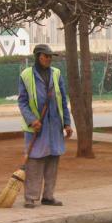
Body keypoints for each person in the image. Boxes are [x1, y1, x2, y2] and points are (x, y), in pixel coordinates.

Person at [18, 44, 73, 209]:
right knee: (34, 162)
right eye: (45, 56)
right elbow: (22, 101)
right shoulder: (26, 75)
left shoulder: (56, 74)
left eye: (50, 56)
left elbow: (63, 100)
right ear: (38, 57)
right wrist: (32, 120)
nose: (49, 59)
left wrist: (67, 123)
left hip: (54, 125)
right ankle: (30, 198)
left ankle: (48, 196)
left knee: (52, 160)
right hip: (37, 127)